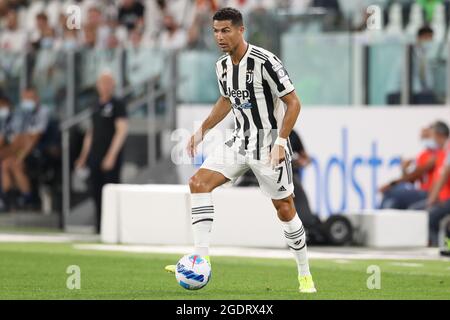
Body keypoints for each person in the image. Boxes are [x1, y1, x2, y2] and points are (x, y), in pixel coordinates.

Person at [165, 7, 316, 293]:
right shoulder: (221, 66)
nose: (219, 37)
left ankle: (304, 273)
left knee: (284, 209)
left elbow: (293, 102)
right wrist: (201, 131)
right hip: (238, 141)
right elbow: (226, 100)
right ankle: (201, 260)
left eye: (225, 30)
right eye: (215, 31)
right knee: (198, 183)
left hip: (269, 145)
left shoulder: (265, 61)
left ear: (240, 30)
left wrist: (282, 143)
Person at [75, 72, 128, 234]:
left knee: (111, 191)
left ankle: (113, 226)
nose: (105, 86)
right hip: (95, 155)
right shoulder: (95, 105)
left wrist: (111, 155)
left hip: (110, 155)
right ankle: (99, 225)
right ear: (97, 85)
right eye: (102, 82)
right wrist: (83, 156)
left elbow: (121, 130)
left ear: (113, 85)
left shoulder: (117, 104)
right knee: (96, 191)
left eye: (108, 82)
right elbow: (91, 132)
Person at [379, 122, 448, 210]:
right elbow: (411, 179)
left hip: (429, 193)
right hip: (424, 192)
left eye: (428, 136)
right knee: (392, 202)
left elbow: (416, 174)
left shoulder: (440, 154)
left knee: (394, 193)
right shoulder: (424, 155)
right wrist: (404, 169)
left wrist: (391, 184)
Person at [0, 88, 49, 211]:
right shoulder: (20, 114)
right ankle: (10, 200)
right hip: (20, 151)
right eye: (24, 99)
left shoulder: (43, 111)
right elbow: (18, 139)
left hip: (38, 152)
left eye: (29, 98)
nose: (26, 102)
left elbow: (34, 138)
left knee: (13, 164)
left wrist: (21, 156)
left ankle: (29, 200)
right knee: (6, 164)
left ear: (36, 98)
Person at [425, 139, 450, 247]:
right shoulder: (440, 154)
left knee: (432, 216)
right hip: (444, 198)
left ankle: (437, 246)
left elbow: (445, 173)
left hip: (446, 198)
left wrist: (433, 198)